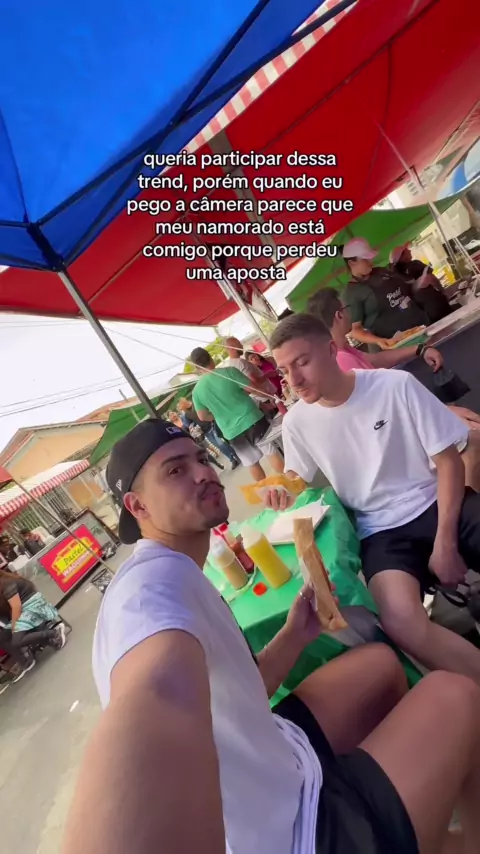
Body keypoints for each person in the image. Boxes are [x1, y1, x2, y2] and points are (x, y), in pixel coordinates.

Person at [62, 418, 480, 854]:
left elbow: (246, 690)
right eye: (175, 470)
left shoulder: (180, 568)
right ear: (138, 507)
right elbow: (154, 696)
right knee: (459, 695)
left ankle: (423, 819)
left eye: (201, 459)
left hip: (273, 752)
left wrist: (296, 634)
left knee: (377, 663)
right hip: (290, 832)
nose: (203, 473)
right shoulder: (149, 590)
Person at [268, 312, 480, 686]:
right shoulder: (297, 421)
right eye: (285, 370)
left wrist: (444, 543)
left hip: (436, 499)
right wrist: (282, 487)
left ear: (330, 350)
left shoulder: (394, 386)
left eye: (302, 362)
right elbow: (296, 477)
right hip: (381, 531)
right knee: (401, 622)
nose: (294, 380)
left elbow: (449, 462)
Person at [308, 288, 480, 492]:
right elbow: (383, 410)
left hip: (400, 431)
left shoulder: (344, 351)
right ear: (339, 315)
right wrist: (441, 411)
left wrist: (419, 350)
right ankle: (466, 500)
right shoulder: (342, 361)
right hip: (398, 443)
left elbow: (375, 360)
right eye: (346, 308)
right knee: (473, 439)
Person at [190, 347, 284, 481]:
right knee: (271, 451)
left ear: (196, 367)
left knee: (251, 463)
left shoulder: (196, 392)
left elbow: (202, 416)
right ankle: (294, 486)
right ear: (210, 358)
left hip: (231, 432)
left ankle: (269, 491)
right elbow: (254, 389)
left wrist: (219, 415)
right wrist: (271, 397)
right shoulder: (228, 372)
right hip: (253, 419)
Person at [341, 237, 427, 350]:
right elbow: (356, 330)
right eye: (365, 259)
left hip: (419, 329)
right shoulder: (352, 292)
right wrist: (379, 341)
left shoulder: (381, 271)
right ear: (352, 263)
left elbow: (406, 288)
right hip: (394, 346)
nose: (370, 262)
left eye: (370, 258)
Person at [0, 569, 67, 679]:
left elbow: (16, 607)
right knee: (3, 638)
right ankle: (26, 660)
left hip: (33, 606)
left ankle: (53, 633)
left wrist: (14, 627)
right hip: (25, 609)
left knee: (16, 640)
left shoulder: (6, 583)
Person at [390, 244, 454, 324]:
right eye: (406, 250)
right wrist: (443, 291)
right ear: (402, 257)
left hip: (424, 312)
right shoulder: (415, 264)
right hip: (435, 302)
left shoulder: (396, 276)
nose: (410, 250)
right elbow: (430, 278)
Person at [176, 398, 240, 468]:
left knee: (221, 443)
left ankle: (235, 455)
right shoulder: (187, 415)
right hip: (205, 431)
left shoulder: (196, 404)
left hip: (212, 425)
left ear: (183, 403)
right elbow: (188, 424)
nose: (180, 409)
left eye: (180, 406)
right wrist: (192, 427)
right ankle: (232, 459)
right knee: (219, 446)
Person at [224, 336, 278, 417]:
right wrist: (268, 374)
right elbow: (254, 381)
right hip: (267, 398)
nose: (241, 345)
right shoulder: (241, 363)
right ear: (231, 348)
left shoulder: (231, 364)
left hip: (262, 399)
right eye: (238, 344)